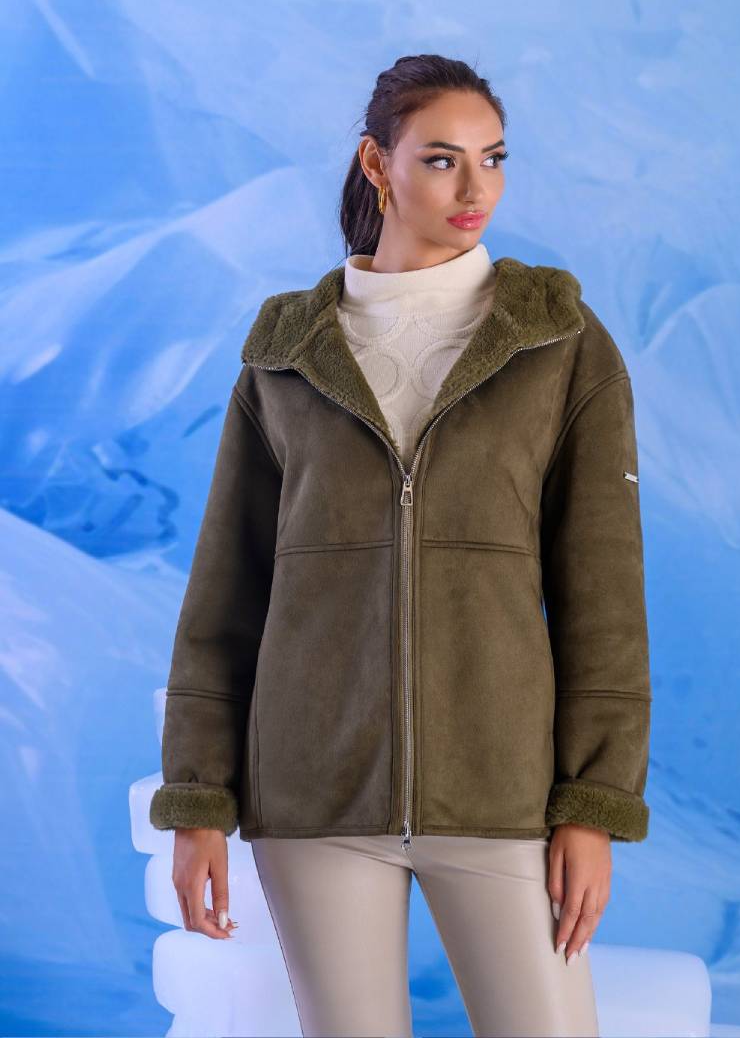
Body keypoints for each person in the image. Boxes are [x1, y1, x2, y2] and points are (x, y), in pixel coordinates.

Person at [150, 54, 652, 1038]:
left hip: (502, 793)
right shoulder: (287, 353)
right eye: (442, 159)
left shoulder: (557, 341)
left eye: (493, 159)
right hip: (315, 794)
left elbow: (604, 592)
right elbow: (226, 592)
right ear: (376, 165)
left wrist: (592, 801)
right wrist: (197, 798)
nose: (476, 189)